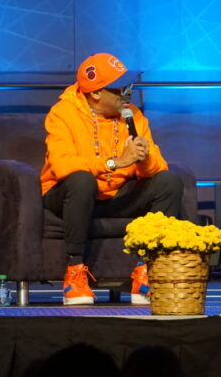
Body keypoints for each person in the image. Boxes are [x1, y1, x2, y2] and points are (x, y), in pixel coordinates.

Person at [41, 53, 184, 305]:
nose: (127, 95)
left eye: (128, 88)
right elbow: (62, 166)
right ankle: (74, 273)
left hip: (115, 194)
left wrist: (143, 157)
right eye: (119, 89)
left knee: (169, 181)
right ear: (96, 93)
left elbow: (158, 167)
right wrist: (116, 162)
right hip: (68, 195)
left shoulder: (132, 115)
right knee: (81, 180)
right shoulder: (62, 113)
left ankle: (147, 271)